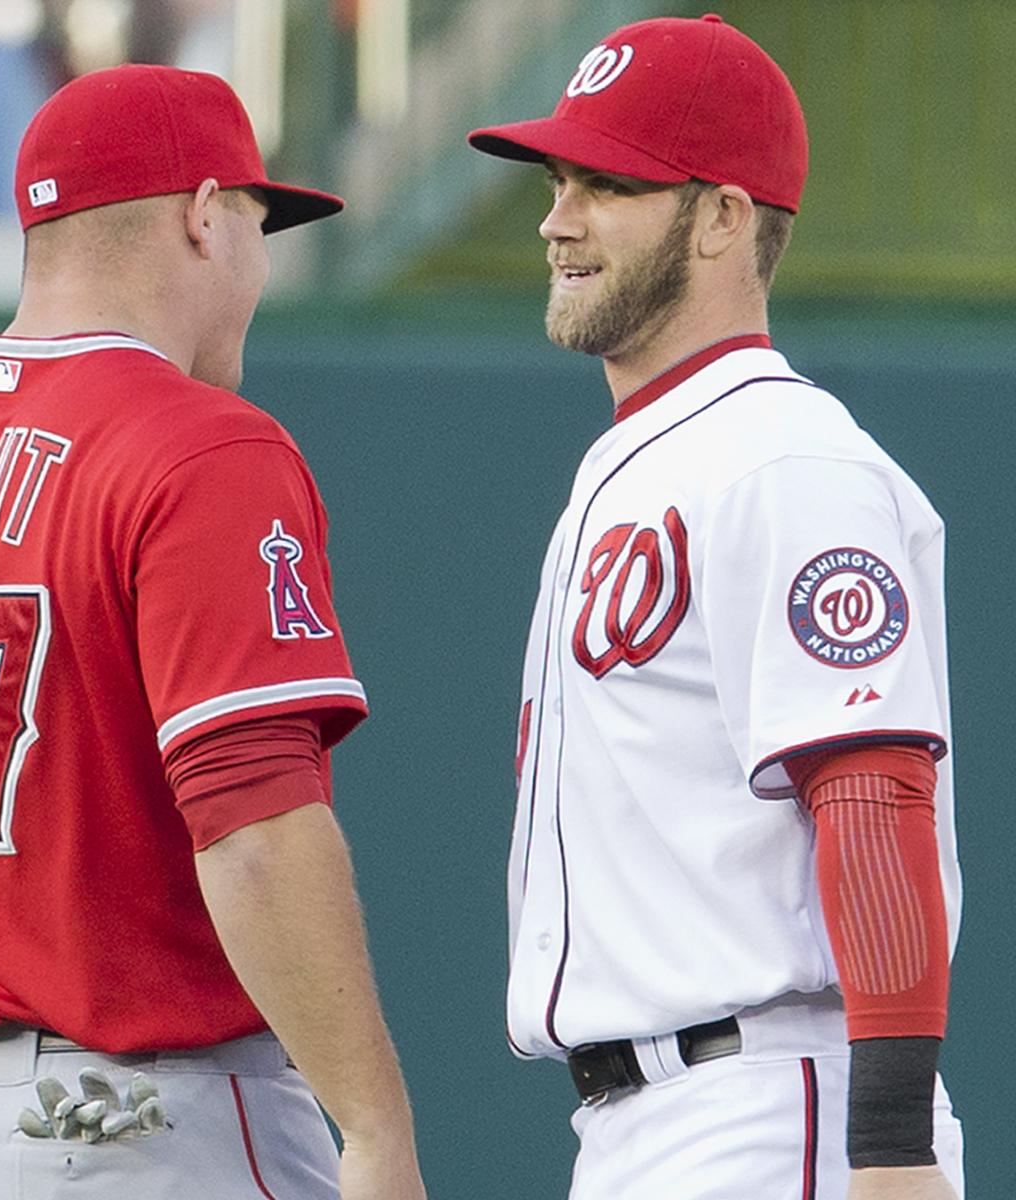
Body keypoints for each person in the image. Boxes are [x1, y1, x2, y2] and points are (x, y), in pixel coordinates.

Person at [0, 64, 425, 1200]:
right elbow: (252, 824)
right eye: (256, 224)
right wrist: (376, 1130)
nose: (259, 263)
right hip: (144, 1127)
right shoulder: (202, 445)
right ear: (202, 218)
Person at [468, 14, 963, 1200]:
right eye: (557, 177)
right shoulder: (653, 452)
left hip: (778, 1108)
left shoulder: (786, 461)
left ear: (725, 217)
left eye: (608, 184)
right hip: (652, 1120)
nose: (557, 216)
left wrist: (889, 1151)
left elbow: (871, 788)